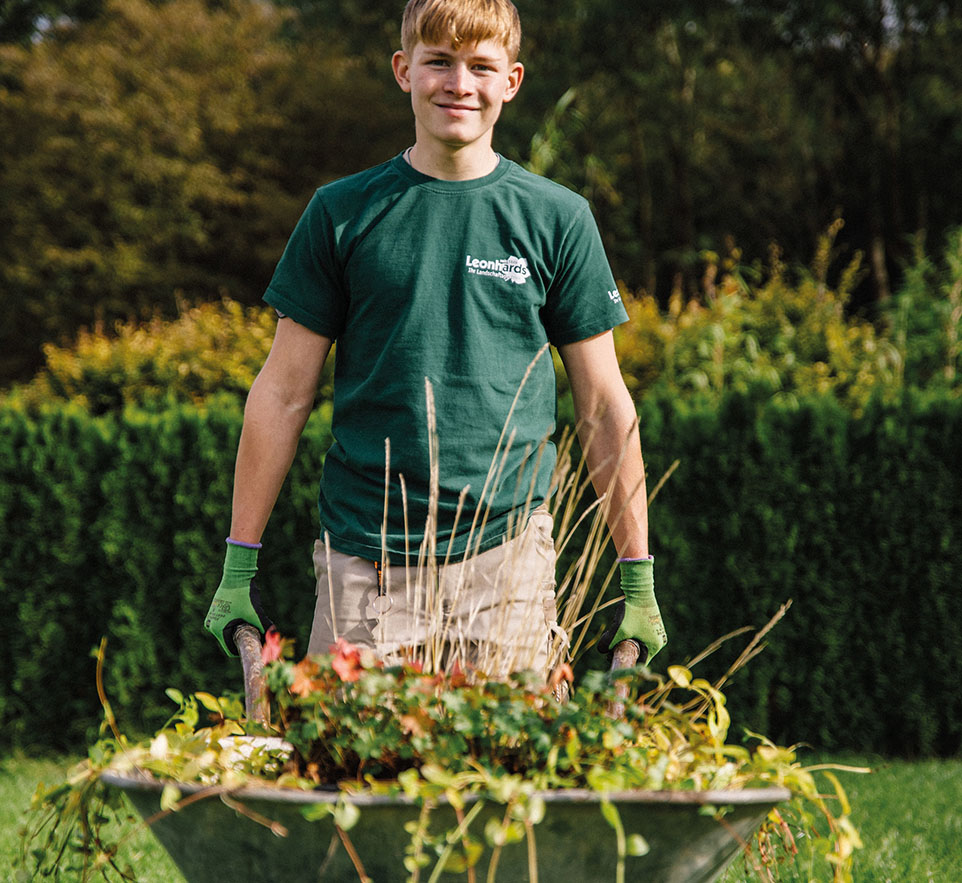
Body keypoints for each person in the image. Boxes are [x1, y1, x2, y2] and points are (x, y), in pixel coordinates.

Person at [204, 0, 667, 677]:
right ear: (403, 70)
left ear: (512, 80)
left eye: (481, 66)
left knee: (508, 748)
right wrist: (238, 564)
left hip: (507, 561)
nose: (459, 84)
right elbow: (282, 394)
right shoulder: (341, 213)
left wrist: (638, 577)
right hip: (365, 565)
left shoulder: (557, 219)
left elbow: (601, 405)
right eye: (440, 62)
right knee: (351, 747)